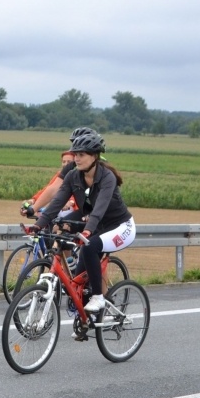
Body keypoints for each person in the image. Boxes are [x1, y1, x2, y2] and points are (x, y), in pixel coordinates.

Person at [29, 132, 136, 339]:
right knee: (77, 279)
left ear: (94, 156)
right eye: (75, 154)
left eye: (82, 154)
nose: (76, 158)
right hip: (94, 224)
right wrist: (39, 224)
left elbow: (99, 209)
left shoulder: (107, 177)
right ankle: (85, 320)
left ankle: (98, 297)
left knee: (89, 247)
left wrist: (87, 230)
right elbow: (57, 203)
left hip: (119, 226)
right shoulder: (73, 176)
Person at [31, 126, 96, 211]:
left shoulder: (101, 168)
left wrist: (71, 202)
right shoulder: (71, 167)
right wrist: (33, 208)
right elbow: (52, 188)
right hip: (80, 210)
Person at [20, 150, 79, 218]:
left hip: (75, 209)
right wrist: (33, 200)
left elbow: (78, 192)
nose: (66, 164)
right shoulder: (59, 175)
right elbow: (50, 189)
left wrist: (71, 202)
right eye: (64, 162)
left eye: (69, 162)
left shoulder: (78, 175)